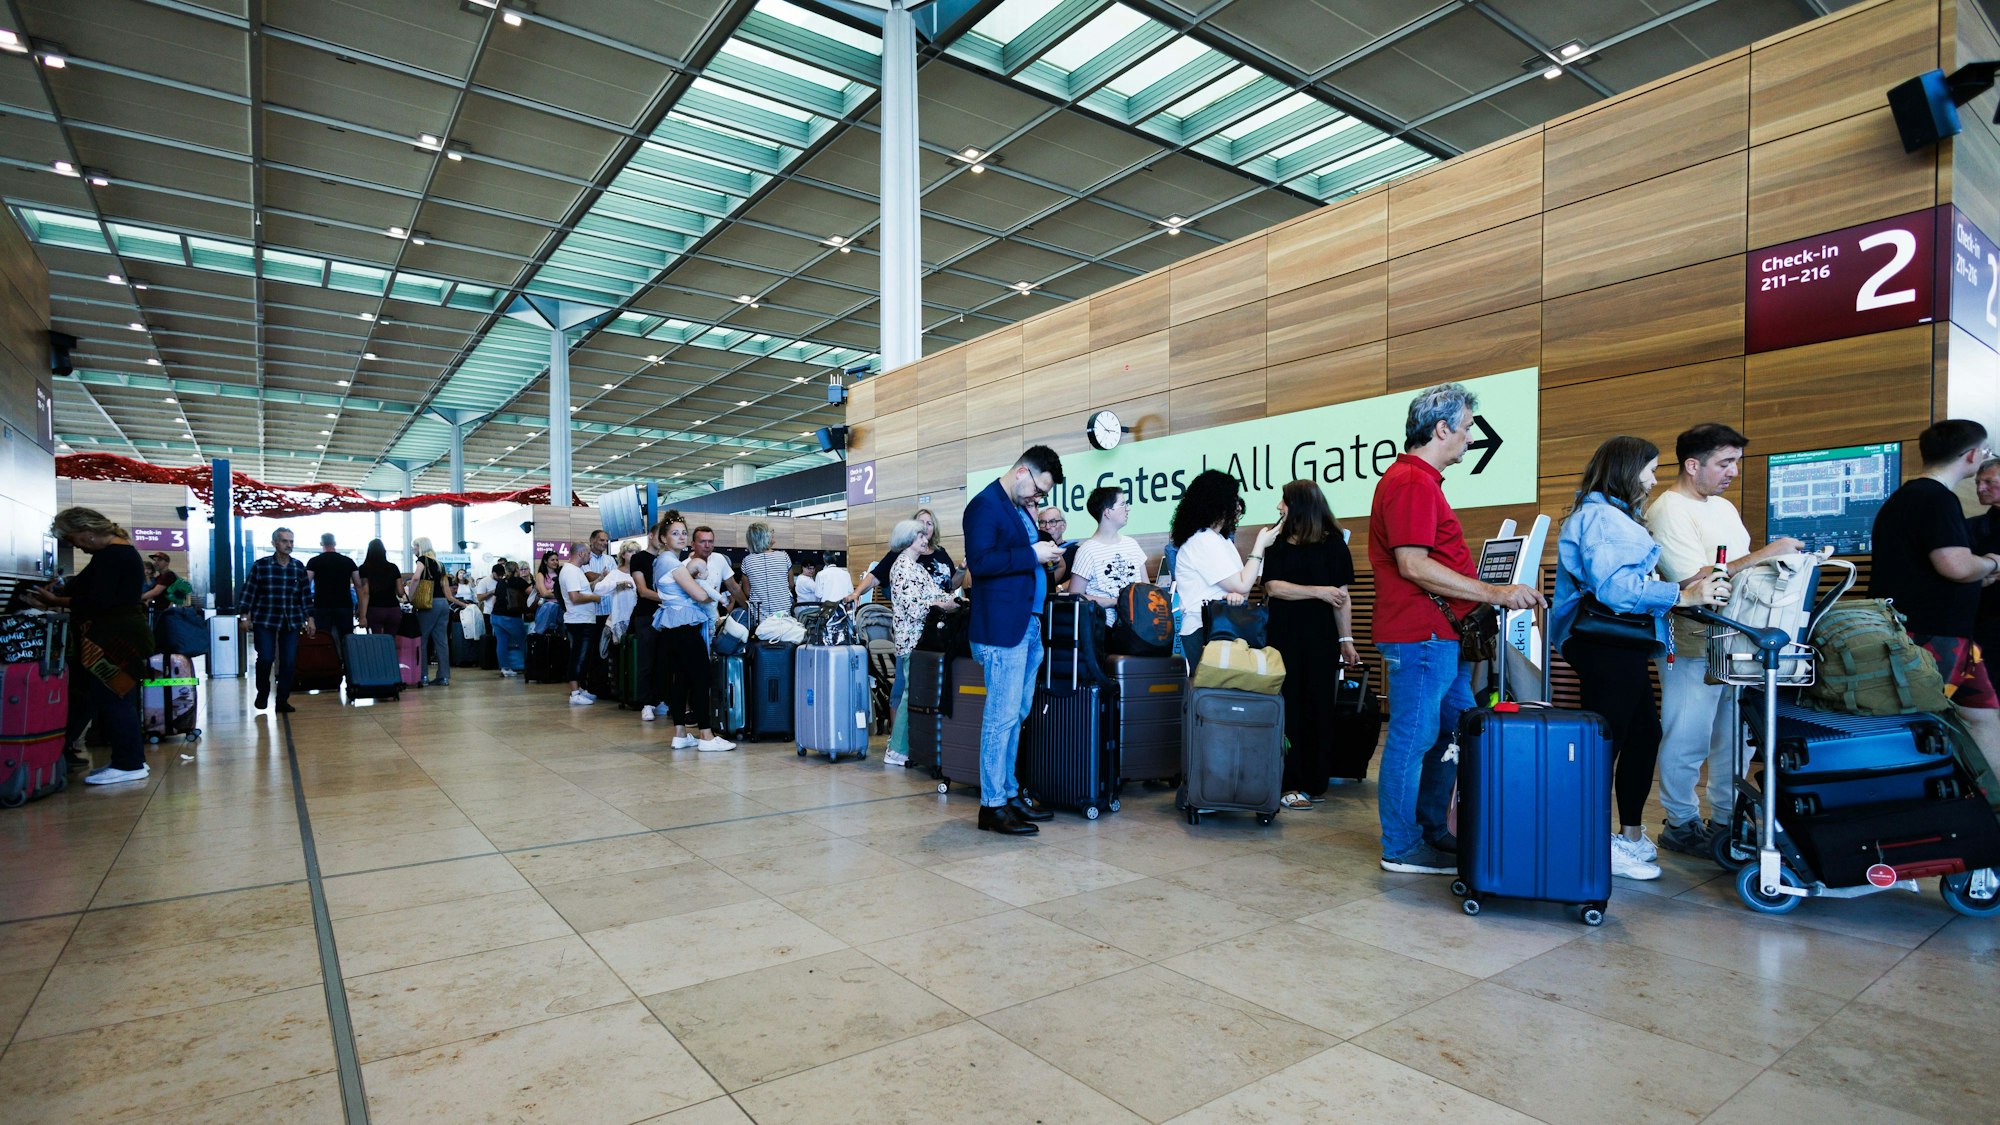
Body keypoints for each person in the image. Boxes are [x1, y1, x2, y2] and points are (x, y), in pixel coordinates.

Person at [1369, 383, 1545, 876]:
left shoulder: (1420, 482)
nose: (1470, 437)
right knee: (1413, 737)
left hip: (1435, 638)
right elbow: (1414, 565)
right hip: (1420, 636)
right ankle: (1401, 847)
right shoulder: (1411, 482)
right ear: (1442, 428)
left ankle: (1430, 830)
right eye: (1467, 427)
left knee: (1455, 728)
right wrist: (1497, 593)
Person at [1552, 437, 1730, 881]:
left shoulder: (1610, 516)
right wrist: (1682, 594)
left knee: (1641, 737)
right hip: (1604, 643)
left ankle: (1628, 838)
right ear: (1627, 471)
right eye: (1649, 470)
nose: (1653, 480)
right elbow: (1616, 590)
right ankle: (1596, 841)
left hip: (1619, 644)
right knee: (1607, 743)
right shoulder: (1603, 519)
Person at [1643, 423, 1804, 854]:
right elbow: (1690, 580)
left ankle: (1727, 816)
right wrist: (1766, 554)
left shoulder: (1724, 509)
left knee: (1735, 734)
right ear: (1693, 465)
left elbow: (1738, 572)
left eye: (1736, 462)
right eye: (1724, 463)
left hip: (1739, 633)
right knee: (1688, 732)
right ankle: (1680, 822)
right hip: (1693, 634)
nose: (1732, 471)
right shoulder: (1669, 510)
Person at [1870, 419, 2000, 759]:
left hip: (1924, 633)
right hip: (1935, 637)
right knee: (1962, 719)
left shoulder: (1905, 497)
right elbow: (1955, 565)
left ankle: (1988, 802)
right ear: (1971, 455)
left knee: (1982, 715)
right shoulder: (1937, 499)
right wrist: (1991, 563)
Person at [963, 445, 1068, 835]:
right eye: (1039, 489)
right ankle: (991, 806)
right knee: (1001, 717)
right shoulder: (985, 505)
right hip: (1002, 630)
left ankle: (1007, 794)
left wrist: (1046, 558)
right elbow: (982, 563)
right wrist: (1031, 554)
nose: (1039, 498)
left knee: (1016, 715)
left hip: (1027, 624)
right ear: (1022, 471)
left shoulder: (1019, 510)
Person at [24, 509, 152, 784]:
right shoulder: (118, 554)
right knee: (114, 696)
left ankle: (129, 763)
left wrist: (56, 602)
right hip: (120, 636)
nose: (77, 546)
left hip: (113, 637)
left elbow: (99, 600)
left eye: (74, 539)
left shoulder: (112, 557)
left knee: (114, 697)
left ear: (88, 532)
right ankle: (129, 759)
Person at [1259, 480, 1361, 811]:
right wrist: (1318, 591)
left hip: (1321, 639)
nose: (1279, 507)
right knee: (1290, 706)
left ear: (1299, 505)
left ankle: (1316, 780)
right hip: (1283, 637)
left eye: (1284, 501)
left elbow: (1342, 597)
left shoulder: (1334, 544)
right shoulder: (1275, 543)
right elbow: (1274, 587)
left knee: (1319, 706)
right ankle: (1289, 782)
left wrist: (1346, 639)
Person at [1169, 470, 1280, 669]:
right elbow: (1242, 584)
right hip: (1205, 629)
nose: (1238, 507)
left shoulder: (1219, 539)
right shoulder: (1202, 540)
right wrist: (1260, 544)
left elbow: (1242, 585)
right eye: (1234, 500)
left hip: (1220, 625)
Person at [652, 519, 733, 751]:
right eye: (674, 533)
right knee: (701, 678)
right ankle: (706, 736)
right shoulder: (671, 562)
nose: (680, 537)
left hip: (672, 627)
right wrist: (713, 594)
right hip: (685, 627)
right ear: (663, 538)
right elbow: (699, 595)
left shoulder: (666, 562)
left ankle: (680, 733)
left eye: (683, 533)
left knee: (682, 679)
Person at [883, 518, 958, 768]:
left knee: (909, 694)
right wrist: (943, 604)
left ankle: (902, 748)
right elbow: (913, 608)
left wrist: (949, 601)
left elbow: (933, 594)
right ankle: (896, 749)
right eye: (920, 536)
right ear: (908, 540)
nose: (925, 540)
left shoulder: (914, 567)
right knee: (907, 695)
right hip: (911, 641)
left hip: (919, 640)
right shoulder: (903, 567)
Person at [238, 526, 317, 713]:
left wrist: (310, 619)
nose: (289, 545)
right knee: (265, 658)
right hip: (265, 619)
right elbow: (248, 593)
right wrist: (244, 617)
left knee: (288, 662)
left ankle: (282, 700)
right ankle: (263, 692)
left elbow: (305, 596)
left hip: (291, 620)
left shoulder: (298, 567)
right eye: (284, 541)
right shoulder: (261, 565)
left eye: (291, 541)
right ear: (274, 543)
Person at [1067, 487, 1149, 626]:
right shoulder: (1087, 551)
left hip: (1139, 627)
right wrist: (1115, 603)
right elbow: (1075, 597)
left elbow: (1146, 587)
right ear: (1107, 512)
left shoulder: (1132, 544)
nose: (1127, 509)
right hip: (1105, 630)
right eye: (1122, 504)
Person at [408, 537, 466, 687]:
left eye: (414, 547)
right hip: (442, 604)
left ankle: (423, 676)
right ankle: (443, 677)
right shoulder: (440, 565)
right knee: (441, 641)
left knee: (422, 641)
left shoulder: (422, 560)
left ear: (419, 547)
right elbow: (447, 592)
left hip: (428, 604)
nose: (413, 549)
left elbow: (415, 578)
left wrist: (411, 597)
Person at [630, 523, 670, 721]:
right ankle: (646, 702)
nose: (663, 540)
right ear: (651, 535)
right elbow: (642, 590)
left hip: (665, 616)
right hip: (646, 615)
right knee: (646, 660)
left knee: (663, 661)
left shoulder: (666, 559)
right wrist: (668, 598)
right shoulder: (638, 558)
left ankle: (659, 699)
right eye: (661, 536)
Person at [305, 533, 361, 667]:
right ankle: (349, 668)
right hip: (344, 605)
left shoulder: (314, 561)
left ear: (321, 544)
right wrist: (360, 606)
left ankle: (327, 666)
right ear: (335, 543)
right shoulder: (348, 561)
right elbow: (358, 585)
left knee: (324, 637)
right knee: (346, 637)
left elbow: (306, 584)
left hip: (321, 606)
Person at [559, 540, 603, 705]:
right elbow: (575, 597)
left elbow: (582, 591)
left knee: (582, 657)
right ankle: (575, 692)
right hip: (579, 621)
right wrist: (595, 597)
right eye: (588, 553)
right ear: (581, 554)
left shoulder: (575, 571)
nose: (590, 556)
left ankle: (580, 689)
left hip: (583, 619)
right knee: (577, 656)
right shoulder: (571, 571)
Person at [1972, 457, 2000, 671]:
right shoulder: (1971, 527)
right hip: (1983, 623)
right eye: (1977, 482)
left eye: (1989, 482)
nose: (1980, 488)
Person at [688, 526, 746, 620]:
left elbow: (733, 587)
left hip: (713, 618)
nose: (707, 545)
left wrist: (749, 610)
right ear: (693, 544)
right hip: (692, 620)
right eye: (702, 541)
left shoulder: (719, 558)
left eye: (710, 541)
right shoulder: (685, 566)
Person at [742, 522, 792, 620]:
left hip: (760, 616)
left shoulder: (747, 561)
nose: (773, 533)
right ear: (763, 536)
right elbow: (791, 585)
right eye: (770, 531)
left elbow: (747, 591)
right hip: (783, 614)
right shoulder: (784, 556)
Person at [488, 562, 529, 676]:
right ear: (517, 570)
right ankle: (531, 666)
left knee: (501, 642)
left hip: (495, 616)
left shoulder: (501, 582)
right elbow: (532, 593)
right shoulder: (519, 581)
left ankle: (505, 669)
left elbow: (494, 600)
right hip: (511, 617)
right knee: (523, 641)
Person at [356, 539, 404, 637]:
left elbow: (365, 593)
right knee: (391, 641)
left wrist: (362, 616)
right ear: (384, 551)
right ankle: (390, 653)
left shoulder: (364, 568)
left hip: (375, 610)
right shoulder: (393, 567)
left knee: (376, 642)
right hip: (393, 610)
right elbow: (400, 592)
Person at [1036, 505, 1079, 587]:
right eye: (1042, 522)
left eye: (1052, 522)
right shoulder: (1036, 552)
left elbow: (1081, 579)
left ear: (1063, 526)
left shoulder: (1074, 551)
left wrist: (1059, 589)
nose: (1047, 527)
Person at [530, 551, 564, 634]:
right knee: (550, 605)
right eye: (552, 560)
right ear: (545, 561)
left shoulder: (561, 573)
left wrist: (551, 593)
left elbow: (566, 592)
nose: (555, 562)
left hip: (560, 606)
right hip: (546, 606)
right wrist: (559, 594)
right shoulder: (540, 575)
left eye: (556, 560)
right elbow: (544, 593)